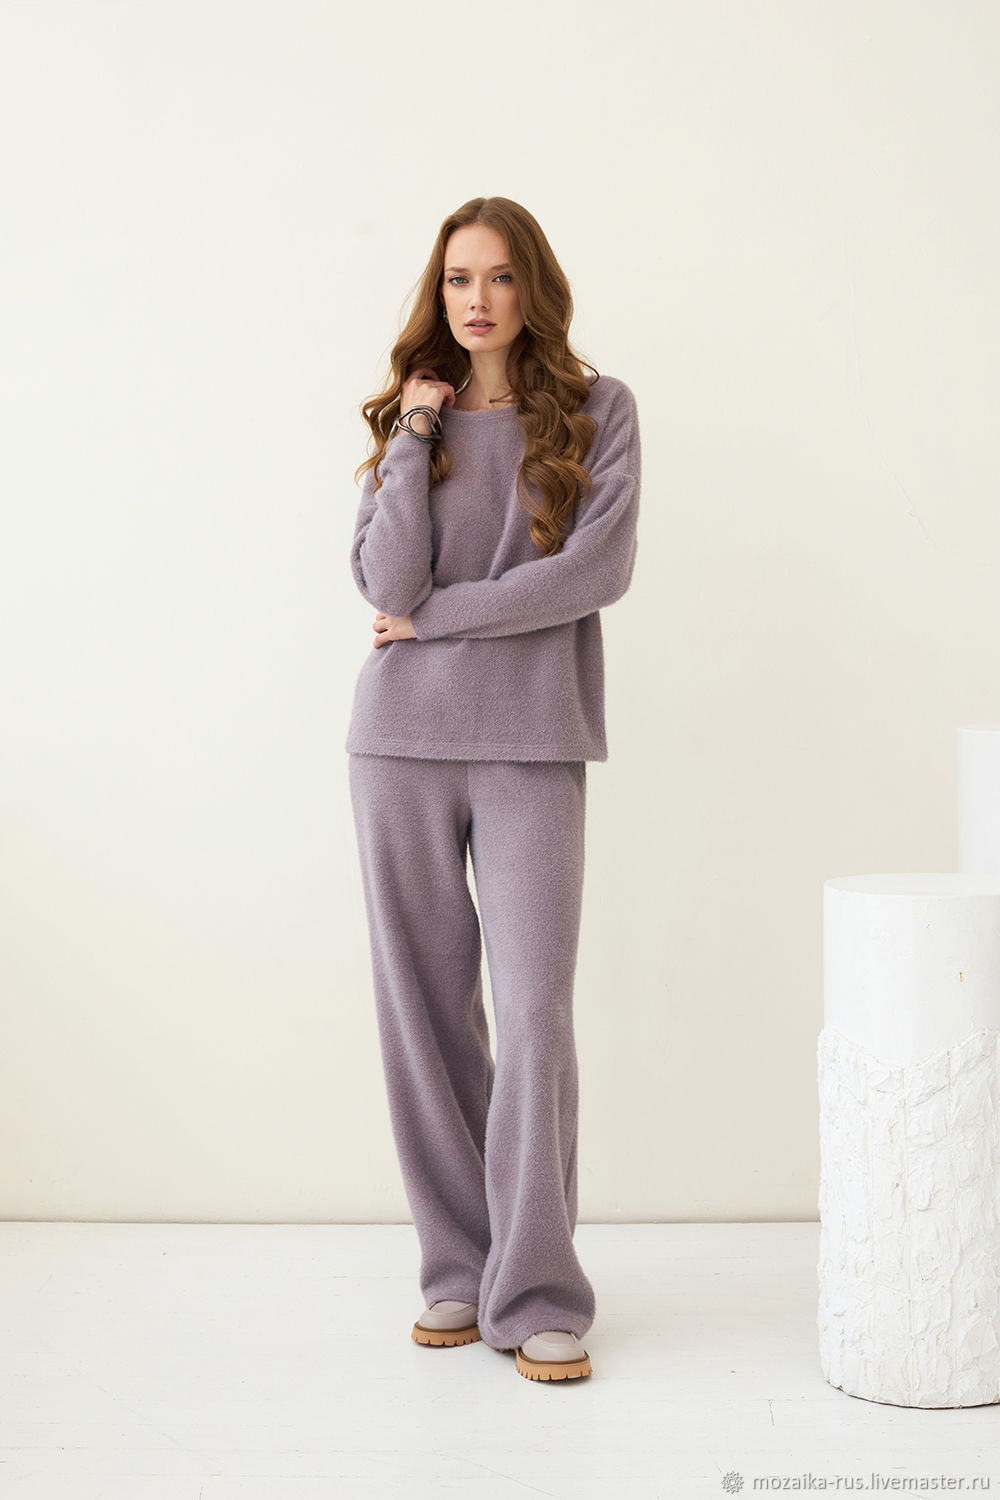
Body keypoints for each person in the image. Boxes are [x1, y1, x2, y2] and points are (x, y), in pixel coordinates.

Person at [345, 195, 641, 1383]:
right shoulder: (408, 423)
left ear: (534, 289)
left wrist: (437, 621)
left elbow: (593, 573)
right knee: (422, 1016)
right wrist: (414, 430)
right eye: (459, 278)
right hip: (398, 744)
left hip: (532, 741)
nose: (478, 299)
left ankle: (538, 1287)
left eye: (501, 276)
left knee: (532, 1017)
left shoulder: (599, 410)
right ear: (439, 292)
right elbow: (383, 581)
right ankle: (458, 1270)